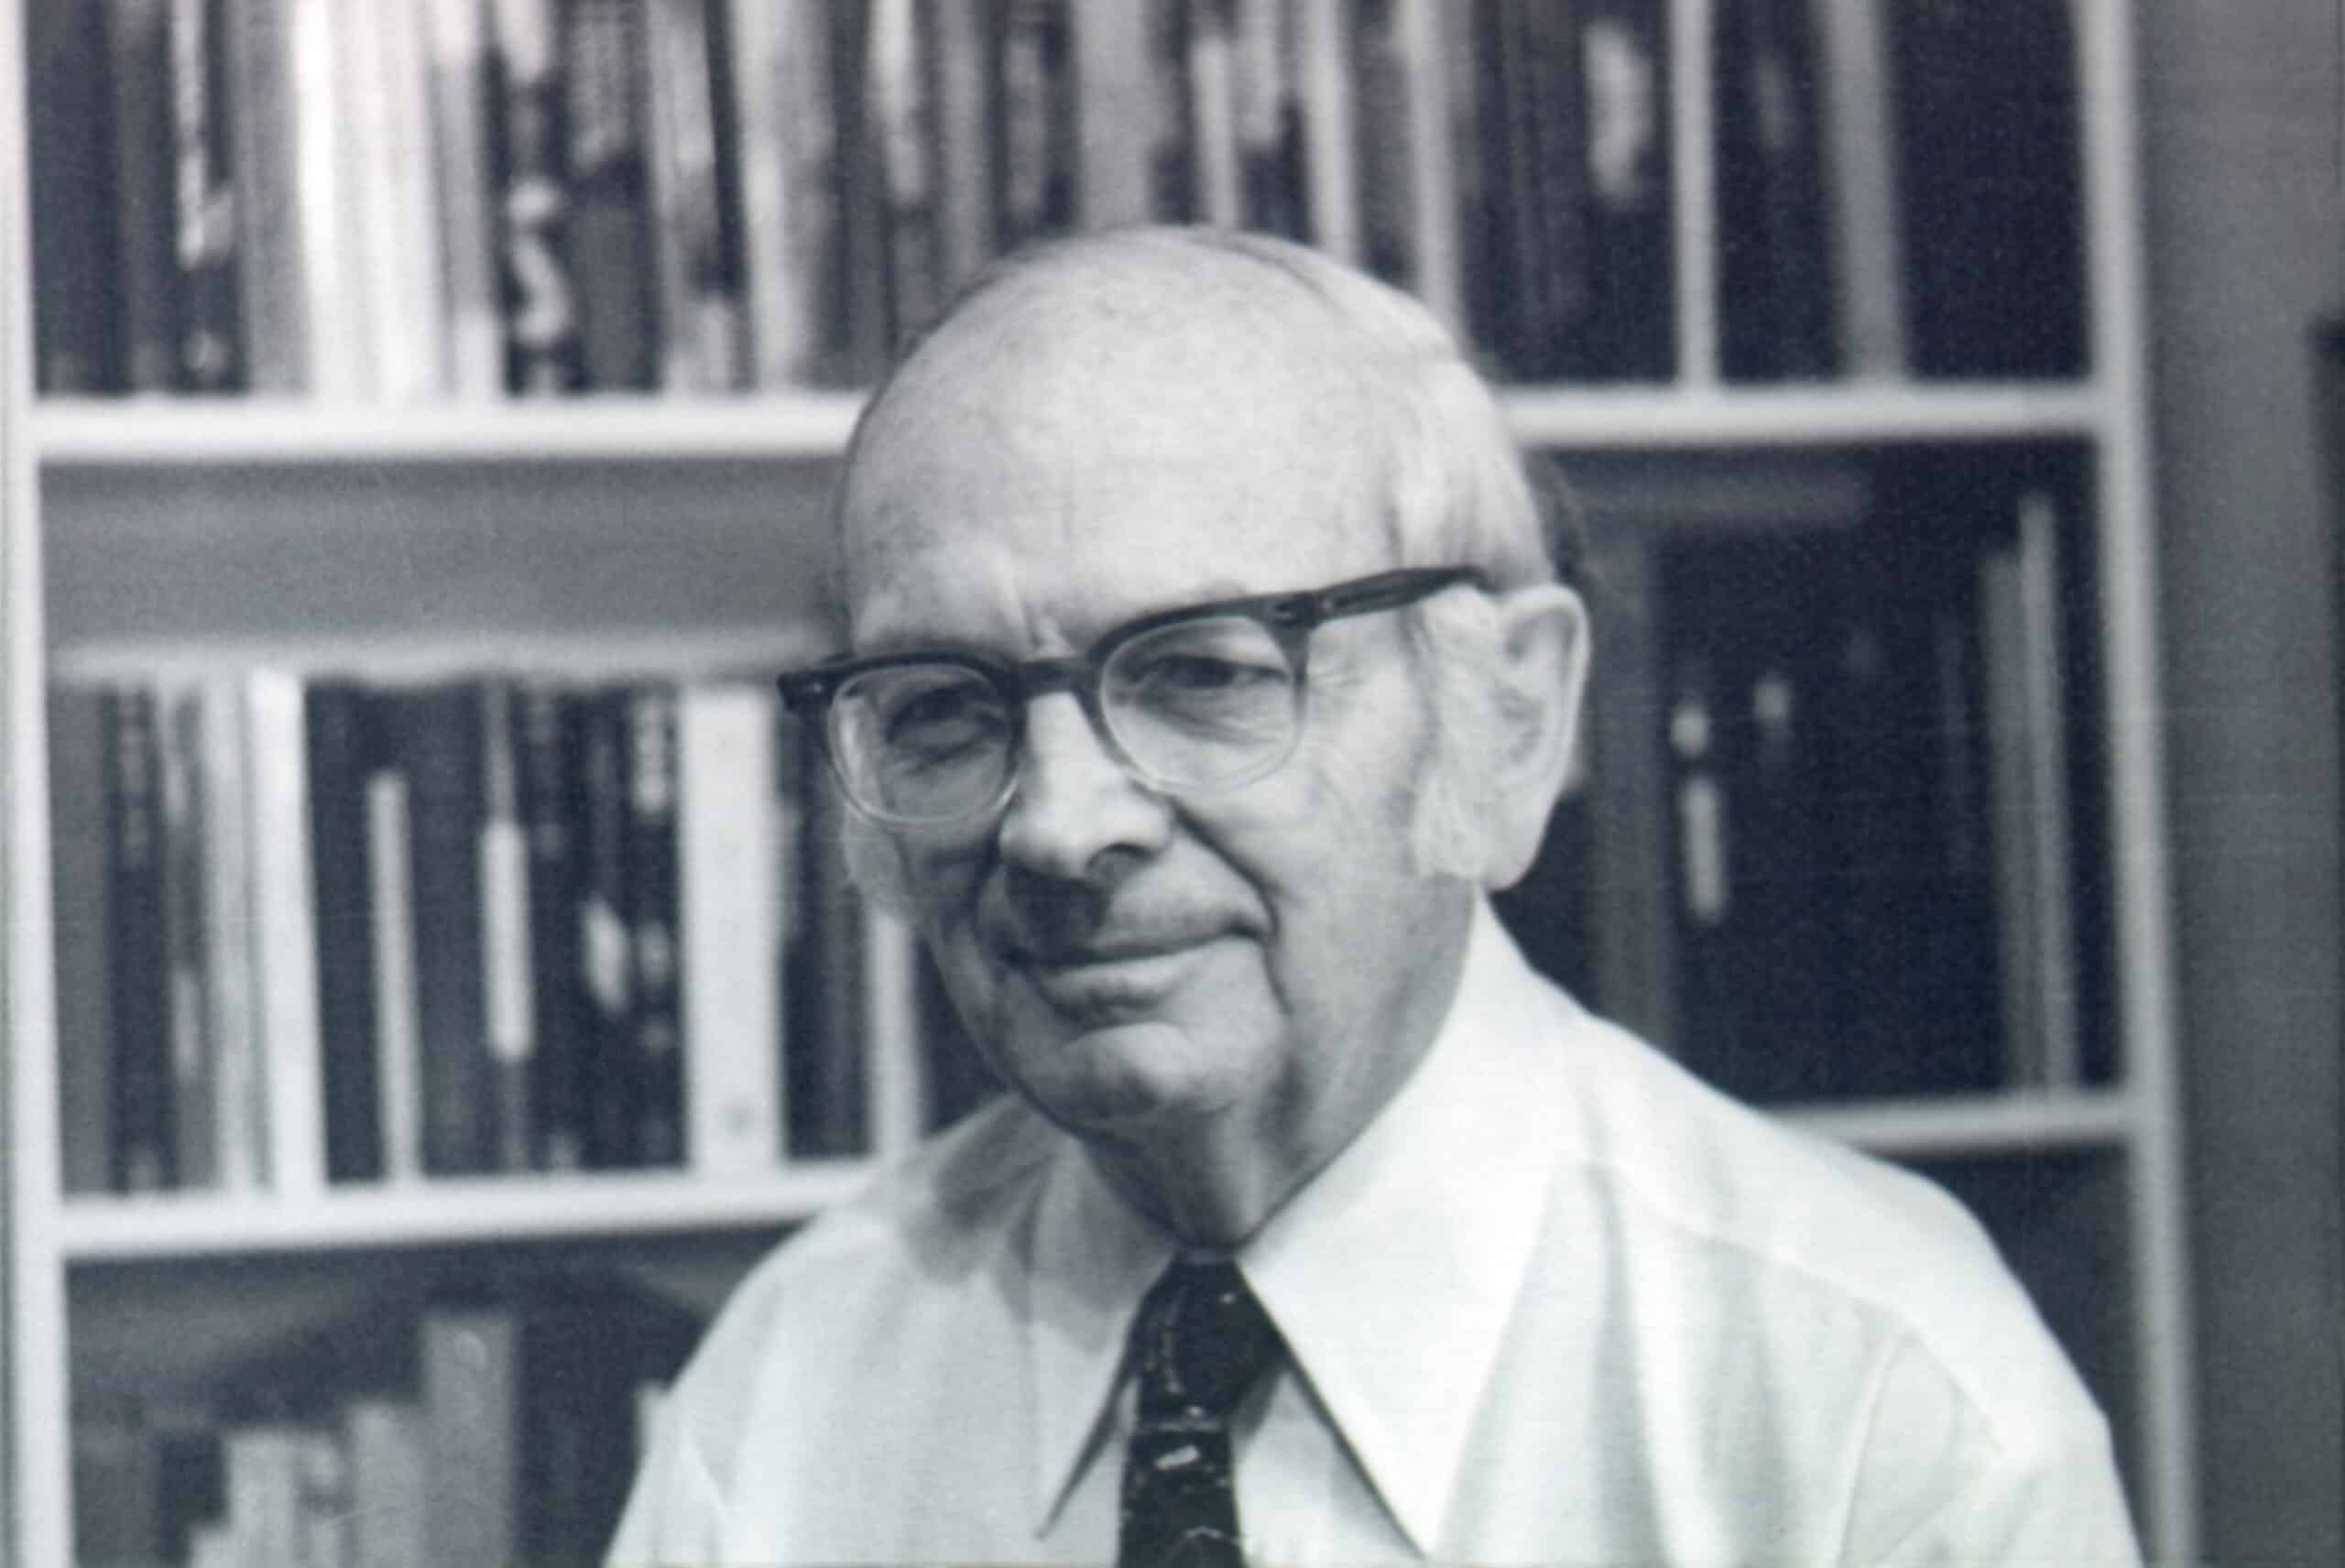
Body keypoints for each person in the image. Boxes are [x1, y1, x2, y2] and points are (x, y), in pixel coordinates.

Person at [605, 226, 2141, 1566]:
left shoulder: (1876, 1398)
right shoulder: (795, 1381)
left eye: (1206, 673)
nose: (1059, 829)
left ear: (1507, 717)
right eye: (945, 703)